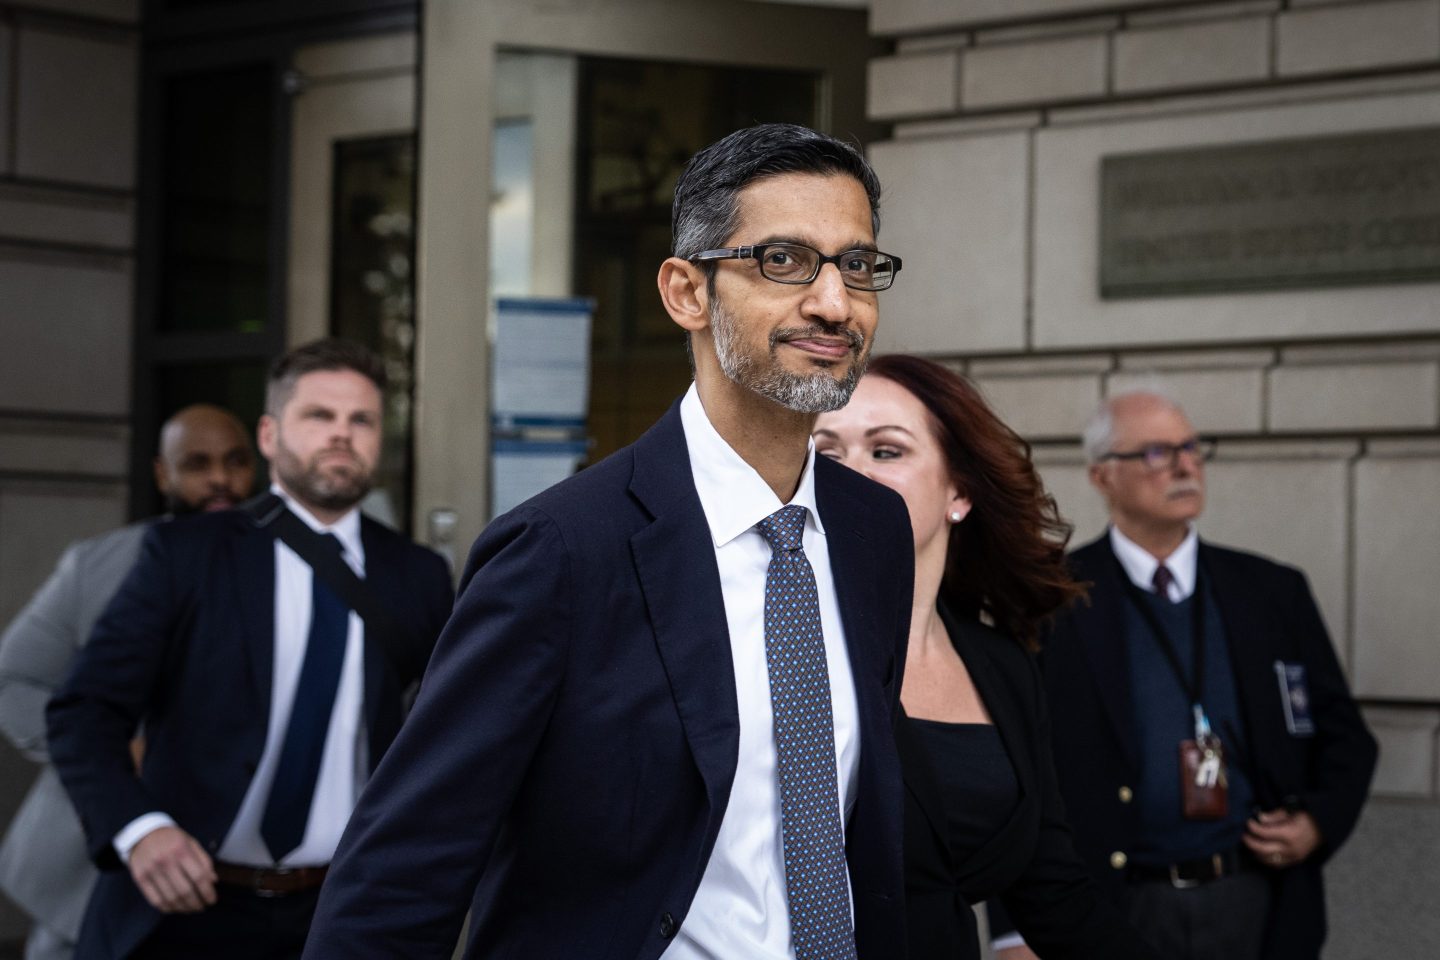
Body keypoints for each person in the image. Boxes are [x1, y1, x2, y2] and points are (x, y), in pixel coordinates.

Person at [302, 123, 915, 960]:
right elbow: (406, 868)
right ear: (685, 292)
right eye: (784, 262)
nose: (834, 302)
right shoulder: (560, 551)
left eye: (856, 265)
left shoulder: (872, 531)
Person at [46, 339, 455, 960]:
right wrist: (139, 831)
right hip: (186, 911)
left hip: (338, 913)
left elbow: (451, 733)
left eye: (361, 420)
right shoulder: (184, 555)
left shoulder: (418, 575)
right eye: (319, 416)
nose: (342, 434)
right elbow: (83, 711)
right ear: (269, 435)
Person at [990, 389, 1377, 960]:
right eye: (1154, 452)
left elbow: (1346, 738)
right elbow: (1012, 766)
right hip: (1110, 905)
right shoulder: (1049, 597)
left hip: (1256, 899)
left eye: (1192, 447)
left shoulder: (1272, 591)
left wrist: (1317, 822)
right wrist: (1014, 929)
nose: (1184, 464)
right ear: (1102, 477)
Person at [813, 355, 1158, 960]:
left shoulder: (1002, 667)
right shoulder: (779, 647)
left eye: (886, 451)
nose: (848, 475)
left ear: (960, 491)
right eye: (826, 451)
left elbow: (1055, 895)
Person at [0, 405, 256, 960]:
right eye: (198, 464)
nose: (220, 479)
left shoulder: (297, 568)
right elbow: (13, 680)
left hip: (242, 887)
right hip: (89, 875)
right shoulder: (96, 565)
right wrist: (117, 749)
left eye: (235, 462)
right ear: (163, 474)